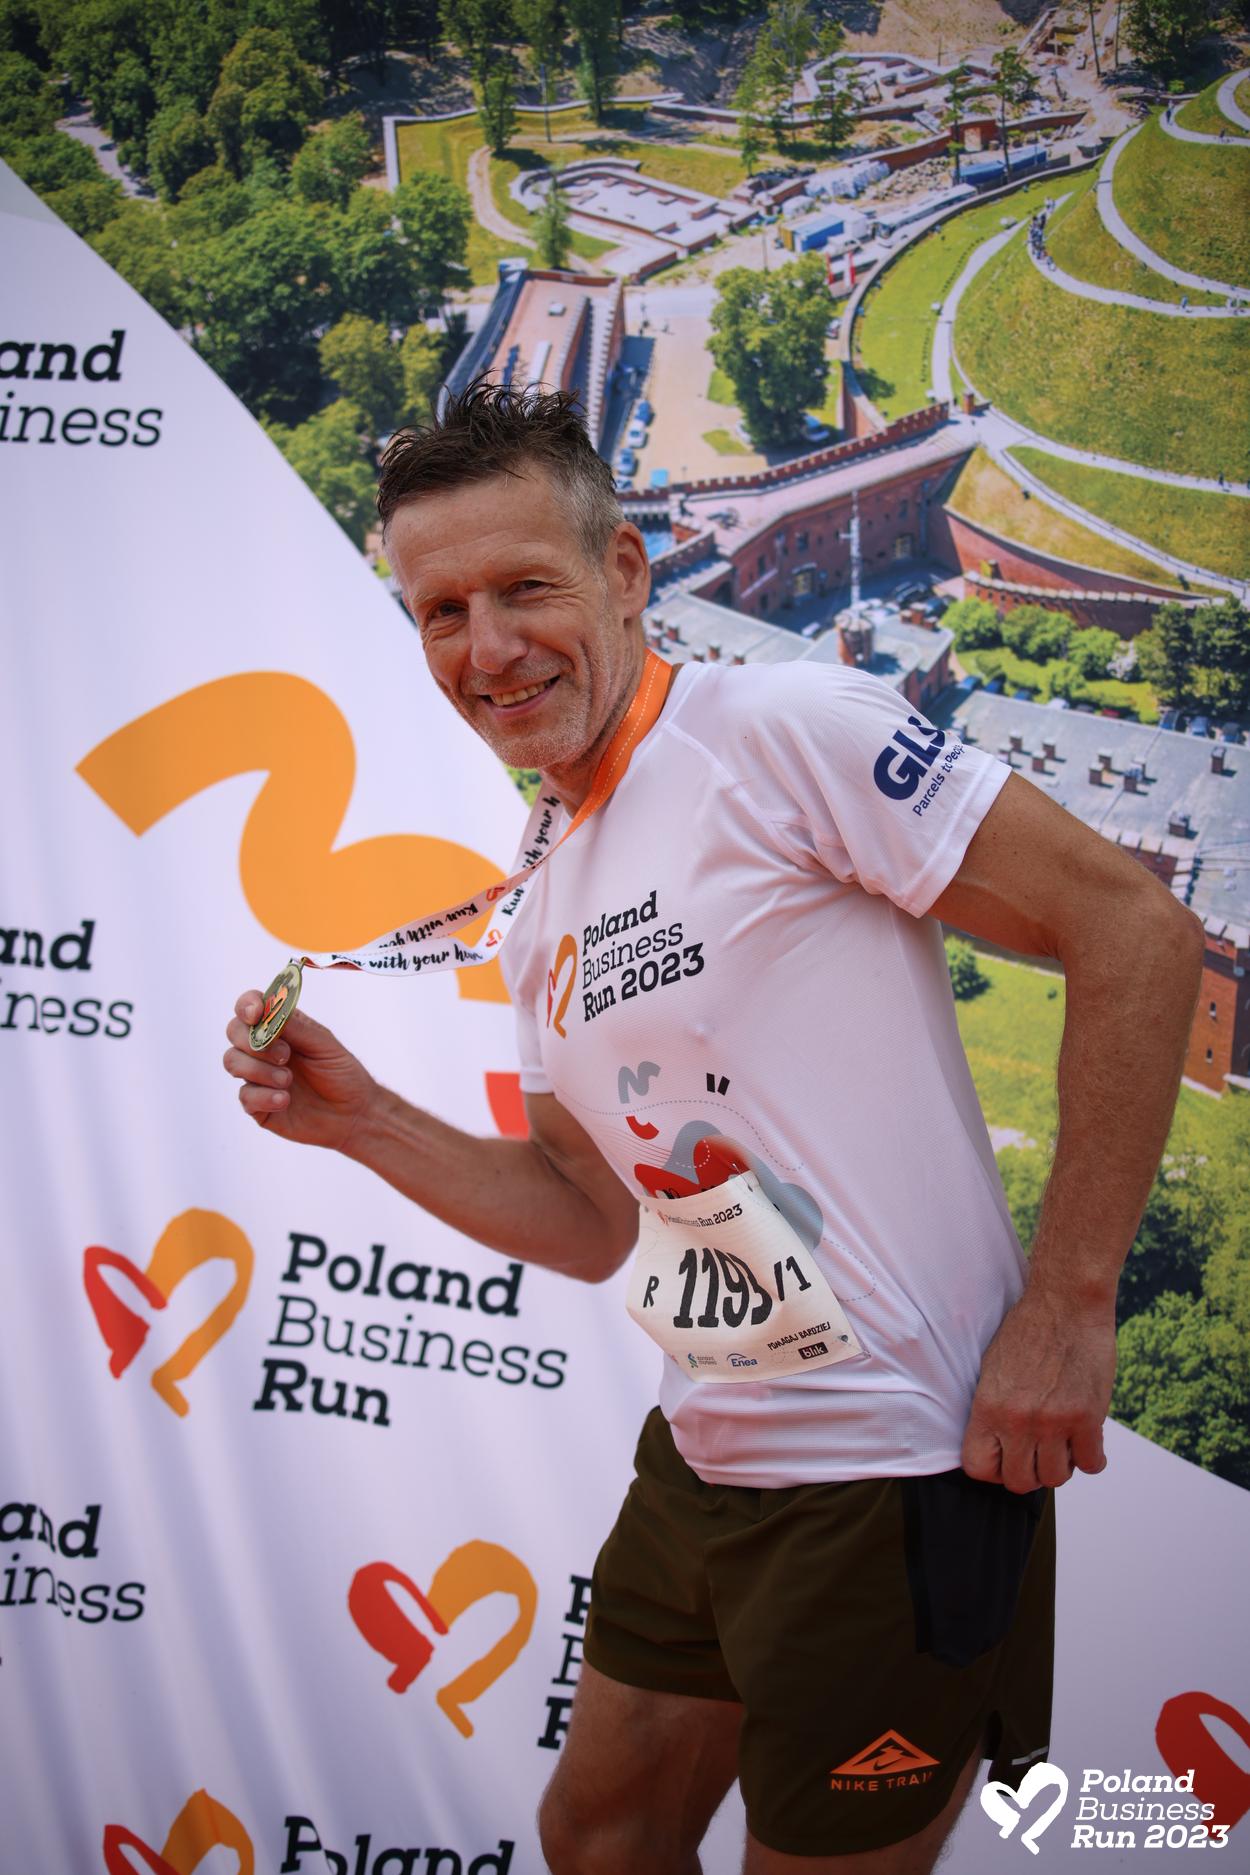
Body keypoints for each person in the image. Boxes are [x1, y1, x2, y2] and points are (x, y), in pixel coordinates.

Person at [224, 382, 1204, 1874]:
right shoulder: (541, 875)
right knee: (599, 1837)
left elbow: (1134, 930)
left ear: (623, 573)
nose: (487, 649)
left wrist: (1070, 1305)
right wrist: (366, 1123)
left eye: (525, 589)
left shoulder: (779, 731)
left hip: (893, 1466)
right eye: (441, 614)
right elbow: (592, 1217)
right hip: (707, 1451)